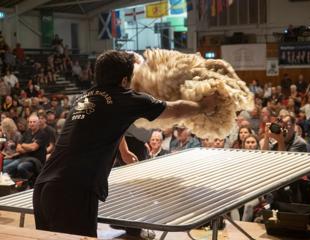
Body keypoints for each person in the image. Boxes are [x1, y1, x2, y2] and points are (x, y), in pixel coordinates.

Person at [33, 50, 221, 237]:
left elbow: (111, 122)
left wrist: (123, 150)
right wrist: (204, 106)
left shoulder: (84, 97)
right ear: (124, 81)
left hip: (43, 186)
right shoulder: (125, 97)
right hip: (72, 193)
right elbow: (174, 109)